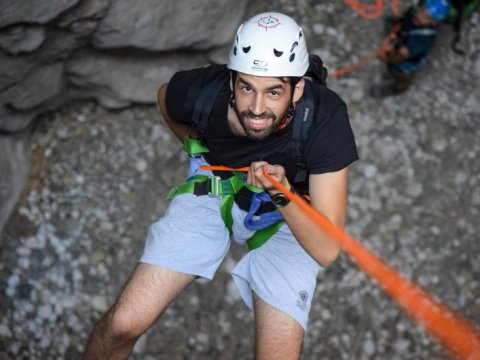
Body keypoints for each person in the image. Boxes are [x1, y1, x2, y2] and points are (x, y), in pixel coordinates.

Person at [84, 12, 358, 359]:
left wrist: (280, 191)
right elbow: (165, 98)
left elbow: (327, 249)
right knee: (121, 326)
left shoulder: (324, 119)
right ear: (231, 81)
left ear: (297, 88)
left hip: (290, 213)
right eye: (246, 87)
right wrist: (199, 150)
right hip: (217, 183)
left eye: (274, 91)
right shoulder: (202, 91)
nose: (257, 108)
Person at [370, 0, 452, 97]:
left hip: (406, 59)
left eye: (426, 17)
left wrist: (386, 53)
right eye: (422, 10)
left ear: (433, 22)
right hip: (402, 37)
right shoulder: (414, 14)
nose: (420, 16)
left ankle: (400, 86)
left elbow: (401, 55)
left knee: (398, 69)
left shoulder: (423, 40)